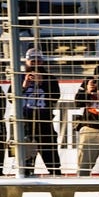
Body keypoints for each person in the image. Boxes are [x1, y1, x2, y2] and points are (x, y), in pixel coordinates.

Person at [18, 47, 61, 176]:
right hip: (25, 124)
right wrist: (24, 85)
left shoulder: (50, 78)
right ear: (26, 62)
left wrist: (43, 83)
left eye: (38, 61)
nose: (35, 64)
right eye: (32, 61)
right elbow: (11, 98)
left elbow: (55, 96)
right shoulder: (19, 77)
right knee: (26, 163)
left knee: (52, 161)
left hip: (44, 124)